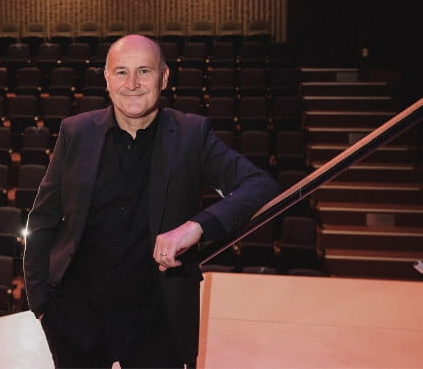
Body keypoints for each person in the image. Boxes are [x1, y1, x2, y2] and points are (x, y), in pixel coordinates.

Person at [23, 34, 280, 368]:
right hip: (75, 318)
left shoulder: (192, 135)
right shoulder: (76, 132)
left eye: (144, 71)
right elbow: (43, 220)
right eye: (121, 72)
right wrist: (41, 303)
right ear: (106, 78)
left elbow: (259, 185)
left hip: (157, 321)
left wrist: (196, 227)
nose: (132, 83)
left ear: (164, 77)